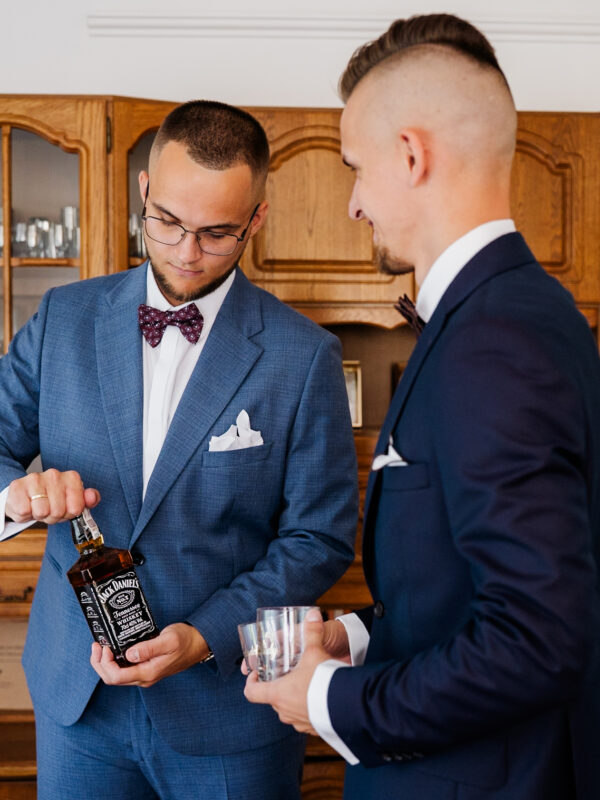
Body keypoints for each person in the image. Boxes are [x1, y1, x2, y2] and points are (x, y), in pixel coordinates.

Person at [245, 14, 600, 800]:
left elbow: (537, 638)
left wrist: (329, 699)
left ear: (411, 155)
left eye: (355, 168)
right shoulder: (525, 312)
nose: (352, 204)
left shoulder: (493, 339)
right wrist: (357, 636)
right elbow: (468, 582)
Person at [0, 100, 358, 800]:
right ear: (143, 191)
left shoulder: (304, 356)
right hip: (78, 704)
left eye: (217, 233)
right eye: (165, 221)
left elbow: (319, 537)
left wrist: (204, 634)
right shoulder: (63, 318)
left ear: (256, 218)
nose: (185, 252)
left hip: (229, 709)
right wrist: (16, 495)